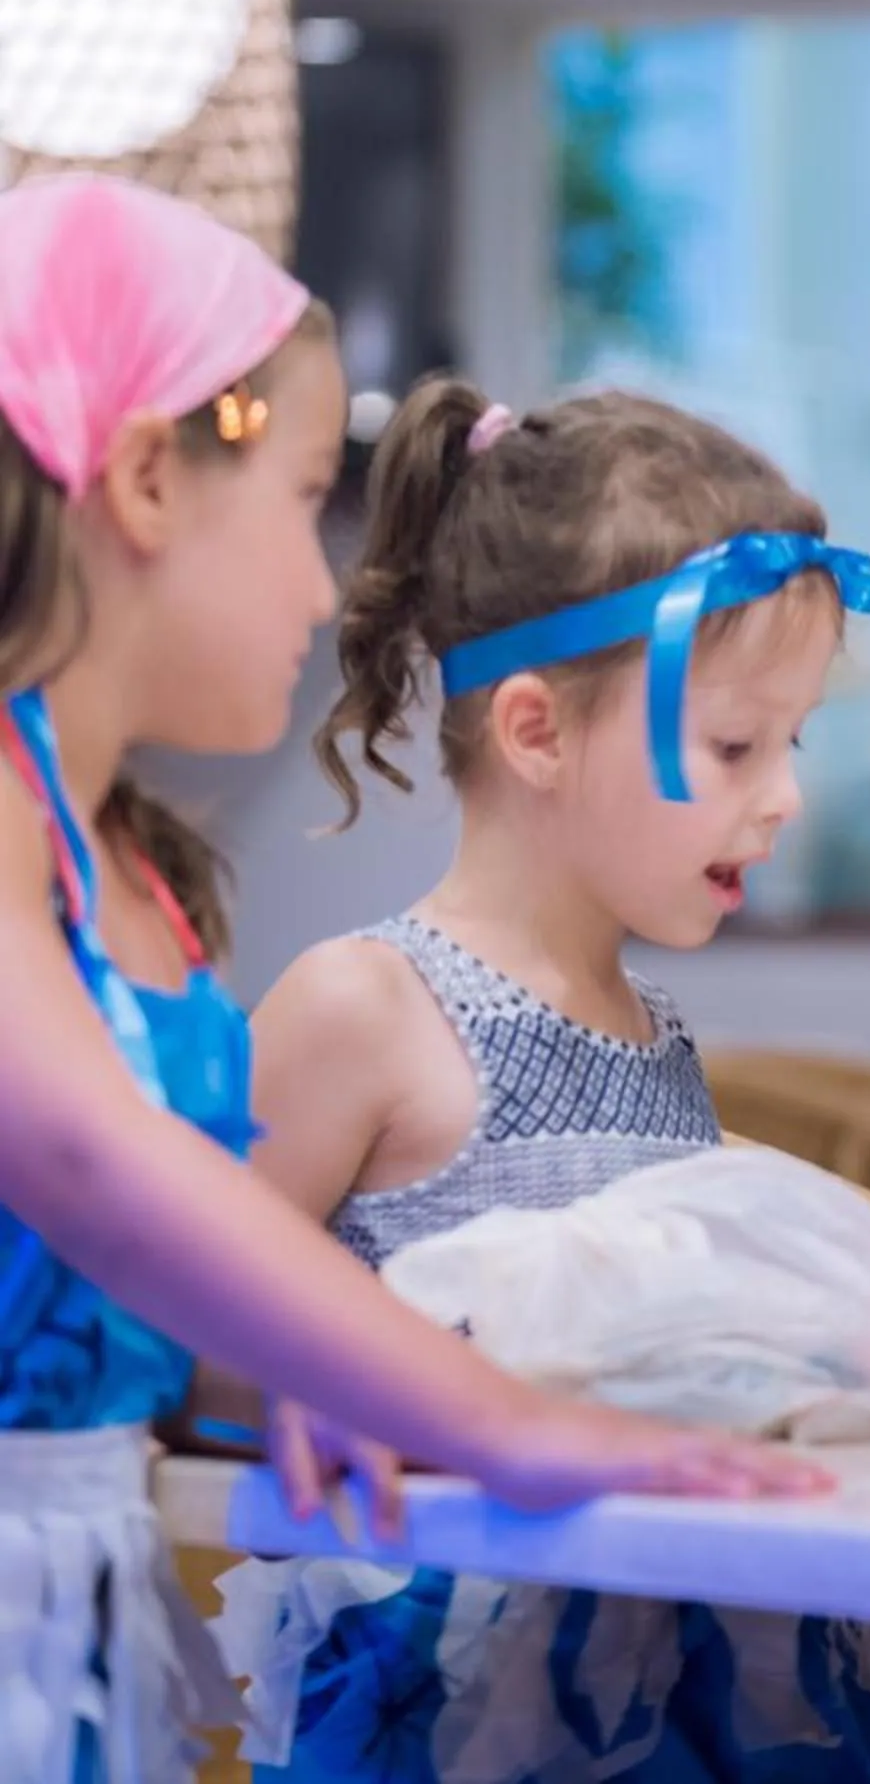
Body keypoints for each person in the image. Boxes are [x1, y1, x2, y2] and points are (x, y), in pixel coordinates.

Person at [0, 173, 815, 1783]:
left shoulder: (127, 872)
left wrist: (269, 1375)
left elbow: (126, 1298)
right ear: (150, 477)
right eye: (309, 497)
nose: (329, 591)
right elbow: (93, 1161)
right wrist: (506, 1420)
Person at [210, 379, 870, 1780]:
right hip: (466, 1699)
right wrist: (330, 1386)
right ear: (534, 731)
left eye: (793, 744)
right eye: (733, 745)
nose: (782, 796)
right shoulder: (367, 1007)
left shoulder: (657, 1033)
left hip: (708, 1679)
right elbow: (197, 1326)